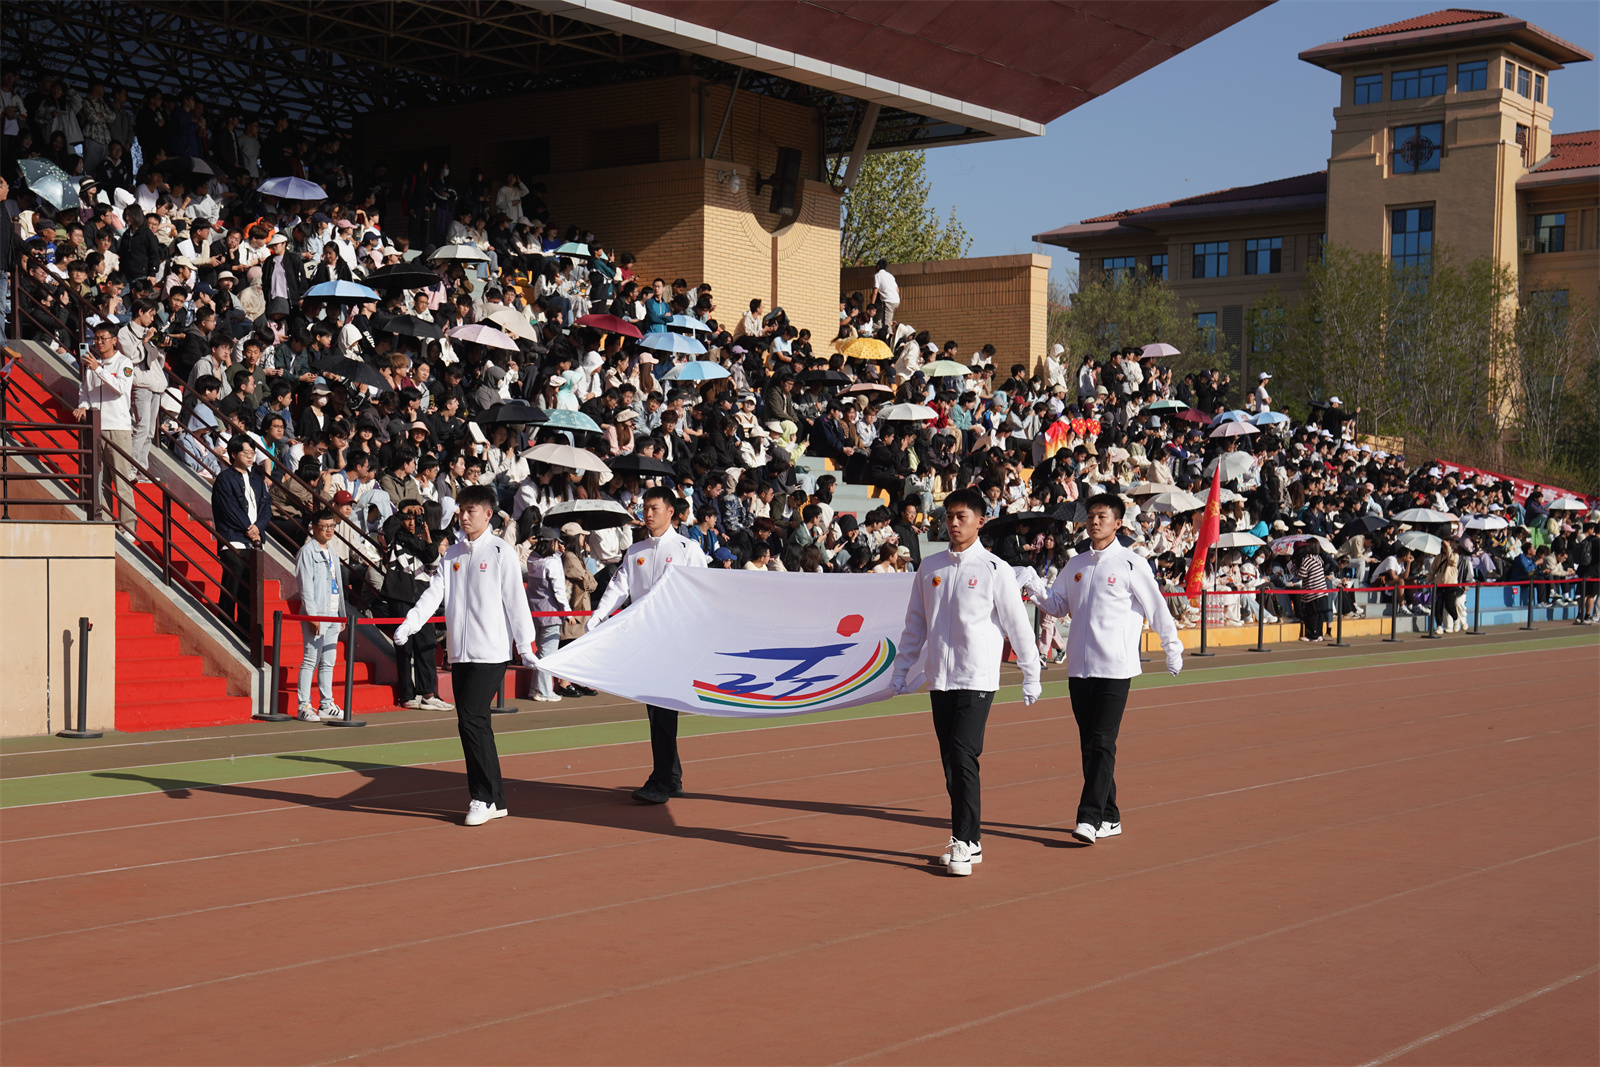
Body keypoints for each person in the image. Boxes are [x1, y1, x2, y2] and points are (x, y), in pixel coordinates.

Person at [891, 487, 1042, 877]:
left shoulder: (994, 569)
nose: (954, 523)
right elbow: (915, 624)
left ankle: (964, 839)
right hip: (939, 679)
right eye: (949, 517)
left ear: (980, 521)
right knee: (950, 762)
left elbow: (1017, 624)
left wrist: (1031, 672)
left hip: (977, 677)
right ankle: (969, 841)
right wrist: (902, 668)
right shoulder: (930, 567)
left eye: (962, 517)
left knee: (962, 755)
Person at [1023, 492, 1183, 845]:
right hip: (1080, 669)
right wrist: (1034, 587)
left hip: (1115, 667)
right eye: (1091, 516)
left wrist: (1172, 647)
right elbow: (1058, 606)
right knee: (1090, 745)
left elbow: (1156, 608)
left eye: (1102, 517)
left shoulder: (1131, 563)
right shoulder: (1076, 564)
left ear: (1118, 523)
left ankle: (1089, 817)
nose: (1094, 522)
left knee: (1103, 742)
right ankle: (1110, 816)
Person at [394, 485, 540, 826]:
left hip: (491, 652)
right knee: (476, 723)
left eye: (470, 511)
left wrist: (526, 646)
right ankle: (497, 799)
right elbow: (434, 593)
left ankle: (482, 797)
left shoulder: (501, 552)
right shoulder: (452, 555)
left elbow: (516, 601)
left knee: (470, 719)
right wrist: (410, 623)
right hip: (460, 653)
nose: (463, 517)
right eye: (461, 511)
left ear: (488, 515)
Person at [587, 484, 708, 803]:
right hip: (646, 641)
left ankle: (662, 781)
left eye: (655, 508)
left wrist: (698, 637)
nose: (648, 513)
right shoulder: (636, 551)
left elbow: (704, 593)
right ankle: (671, 777)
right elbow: (619, 587)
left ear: (671, 512)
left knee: (662, 711)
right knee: (658, 710)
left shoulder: (687, 549)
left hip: (675, 642)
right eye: (645, 508)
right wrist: (598, 617)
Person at [73, 321, 138, 533]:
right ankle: (107, 524)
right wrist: (83, 406)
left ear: (114, 340)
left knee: (121, 480)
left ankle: (128, 528)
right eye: (96, 338)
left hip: (118, 428)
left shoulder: (124, 363)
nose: (99, 342)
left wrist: (98, 369)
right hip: (96, 427)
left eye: (103, 338)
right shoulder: (92, 364)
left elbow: (120, 387)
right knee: (101, 480)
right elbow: (85, 391)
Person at [210, 435, 272, 636]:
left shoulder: (258, 479)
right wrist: (249, 528)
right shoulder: (224, 479)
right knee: (233, 585)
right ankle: (226, 627)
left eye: (252, 453)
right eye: (246, 453)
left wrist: (259, 527)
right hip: (233, 540)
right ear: (234, 454)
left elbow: (266, 506)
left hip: (255, 542)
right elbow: (228, 509)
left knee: (250, 591)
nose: (250, 456)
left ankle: (247, 633)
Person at [294, 511, 346, 722]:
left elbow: (338, 585)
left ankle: (326, 703)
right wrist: (312, 616)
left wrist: (341, 614)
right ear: (313, 527)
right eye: (324, 526)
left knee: (328, 662)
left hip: (333, 613)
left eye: (332, 526)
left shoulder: (332, 552)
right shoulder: (307, 552)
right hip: (317, 613)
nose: (329, 530)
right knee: (310, 660)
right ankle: (304, 705)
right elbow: (305, 586)